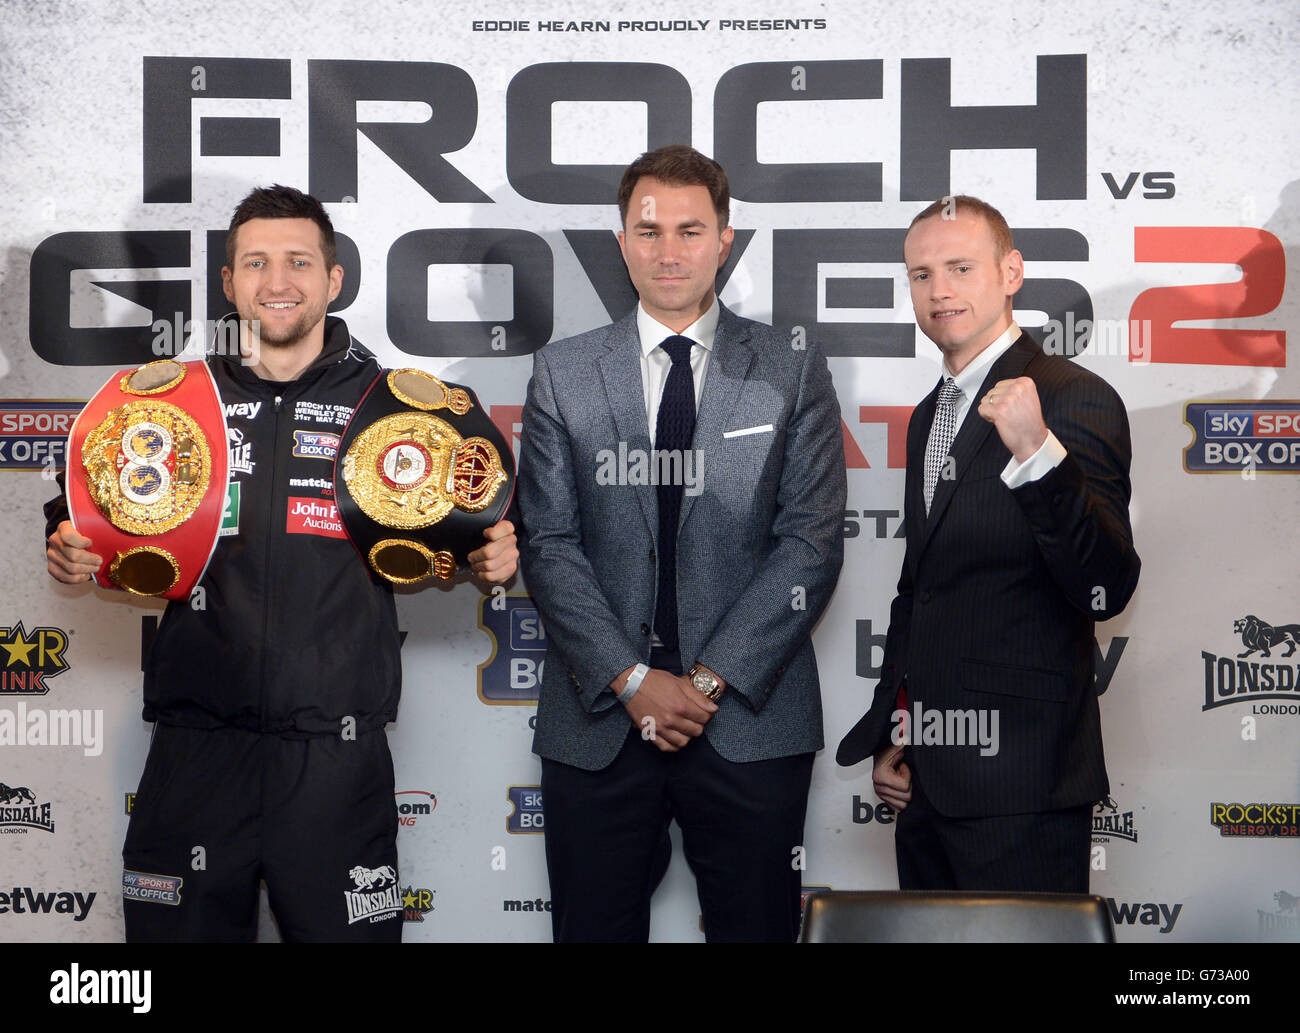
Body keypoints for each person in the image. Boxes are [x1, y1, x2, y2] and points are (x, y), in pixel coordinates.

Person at [45, 185, 518, 941]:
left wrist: (490, 556)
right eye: (255, 262)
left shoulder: (398, 412)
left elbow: (479, 527)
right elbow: (80, 511)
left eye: (299, 261)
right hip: (196, 756)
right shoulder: (167, 407)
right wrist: (68, 548)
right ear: (228, 283)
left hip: (335, 762)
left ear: (333, 281)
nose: (277, 281)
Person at [517, 145, 846, 942]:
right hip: (598, 718)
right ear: (622, 240)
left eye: (691, 229)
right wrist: (633, 680)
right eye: (650, 229)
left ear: (724, 239)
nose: (669, 250)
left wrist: (698, 681)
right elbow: (549, 543)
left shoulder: (791, 367)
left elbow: (810, 541)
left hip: (749, 716)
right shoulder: (563, 372)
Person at [837, 195, 1140, 892]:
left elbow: (1107, 583)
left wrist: (1039, 454)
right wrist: (895, 731)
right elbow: (922, 589)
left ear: (1011, 273)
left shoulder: (1072, 398)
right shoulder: (927, 417)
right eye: (920, 274)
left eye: (960, 267)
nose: (939, 290)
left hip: (1024, 788)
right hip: (925, 784)